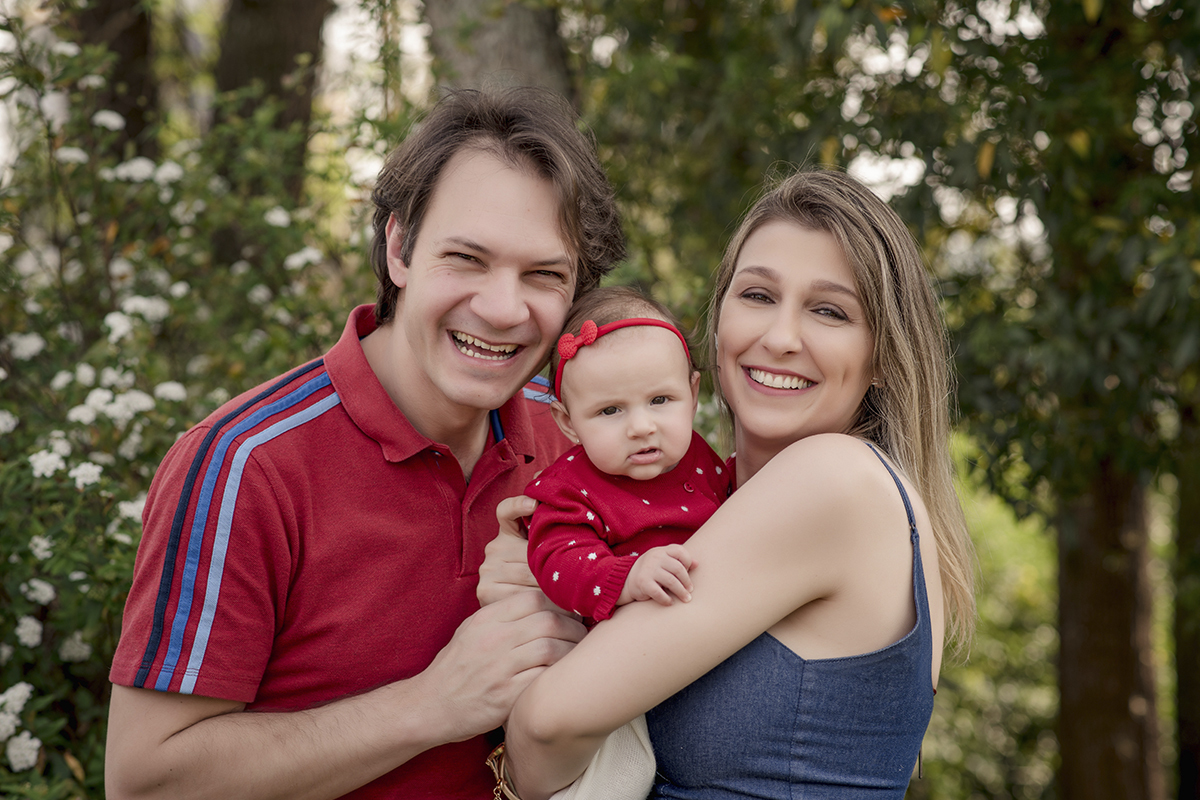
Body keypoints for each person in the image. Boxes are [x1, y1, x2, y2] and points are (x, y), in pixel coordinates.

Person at [104, 87, 625, 800]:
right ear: (400, 246)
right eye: (467, 258)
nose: (504, 309)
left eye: (544, 274)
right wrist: (431, 705)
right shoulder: (242, 464)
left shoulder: (578, 435)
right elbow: (144, 784)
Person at [498, 168, 977, 799]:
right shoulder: (720, 497)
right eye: (756, 296)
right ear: (718, 322)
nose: (779, 338)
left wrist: (510, 776)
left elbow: (548, 723)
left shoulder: (835, 481)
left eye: (829, 311)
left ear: (883, 357)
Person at [525, 287, 731, 624]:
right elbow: (557, 560)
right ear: (568, 422)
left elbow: (733, 502)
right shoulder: (569, 490)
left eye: (660, 400)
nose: (640, 427)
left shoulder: (699, 456)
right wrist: (628, 576)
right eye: (610, 410)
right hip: (631, 647)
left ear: (692, 395)